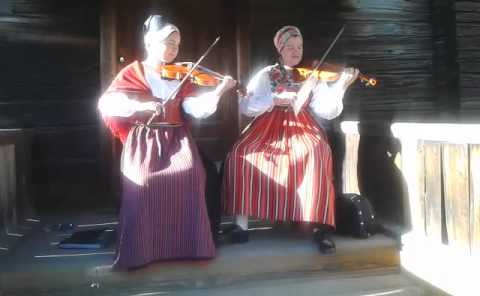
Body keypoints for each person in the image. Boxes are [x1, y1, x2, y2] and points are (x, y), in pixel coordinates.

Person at [98, 15, 236, 270]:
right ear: (150, 43)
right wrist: (138, 105)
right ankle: (142, 250)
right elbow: (106, 103)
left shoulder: (180, 76)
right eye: (168, 42)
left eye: (177, 44)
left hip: (177, 139)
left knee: (193, 174)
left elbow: (195, 108)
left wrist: (218, 91)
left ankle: (189, 246)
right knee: (142, 182)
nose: (174, 48)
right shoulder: (132, 72)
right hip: (144, 141)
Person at [222, 25, 358, 254]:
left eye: (300, 46)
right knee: (240, 153)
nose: (296, 51)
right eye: (291, 47)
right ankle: (240, 225)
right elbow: (246, 106)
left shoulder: (312, 74)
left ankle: (319, 226)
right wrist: (274, 99)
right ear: (280, 49)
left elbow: (326, 110)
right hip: (267, 127)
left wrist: (341, 87)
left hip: (302, 126)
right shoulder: (267, 73)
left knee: (317, 151)